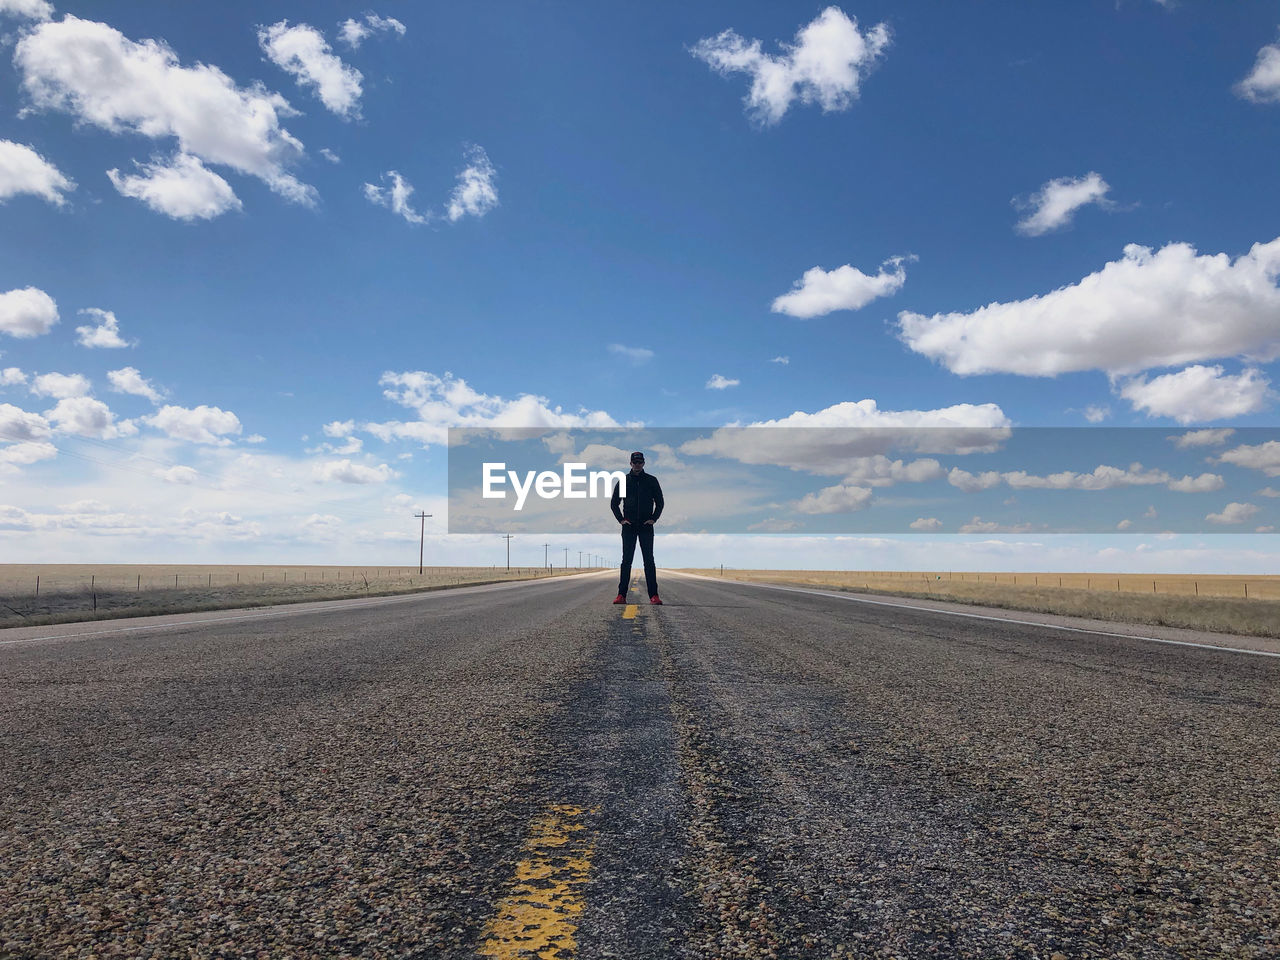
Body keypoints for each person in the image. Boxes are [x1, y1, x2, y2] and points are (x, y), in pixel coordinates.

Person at [611, 450, 664, 604]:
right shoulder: (623, 481)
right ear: (630, 463)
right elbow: (614, 503)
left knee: (649, 561)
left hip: (646, 527)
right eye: (635, 462)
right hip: (629, 527)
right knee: (626, 561)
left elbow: (660, 502)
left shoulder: (651, 480)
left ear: (644, 463)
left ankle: (654, 596)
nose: (637, 464)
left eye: (640, 462)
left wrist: (653, 518)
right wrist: (621, 520)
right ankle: (621, 595)